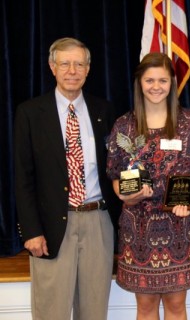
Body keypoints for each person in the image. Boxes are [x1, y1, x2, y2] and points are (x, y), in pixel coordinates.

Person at [14, 37, 121, 320]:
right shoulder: (29, 113)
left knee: (94, 310)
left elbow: (119, 165)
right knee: (52, 311)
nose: (72, 70)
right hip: (50, 227)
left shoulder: (105, 111)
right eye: (65, 63)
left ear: (88, 69)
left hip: (98, 222)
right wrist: (31, 231)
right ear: (52, 67)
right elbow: (22, 178)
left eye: (79, 64)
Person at [106, 52, 190, 320]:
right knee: (146, 308)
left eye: (163, 80)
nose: (156, 86)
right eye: (149, 80)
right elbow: (116, 176)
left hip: (179, 228)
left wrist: (188, 198)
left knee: (176, 306)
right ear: (139, 82)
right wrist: (128, 196)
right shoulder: (124, 126)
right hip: (138, 230)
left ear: (173, 83)